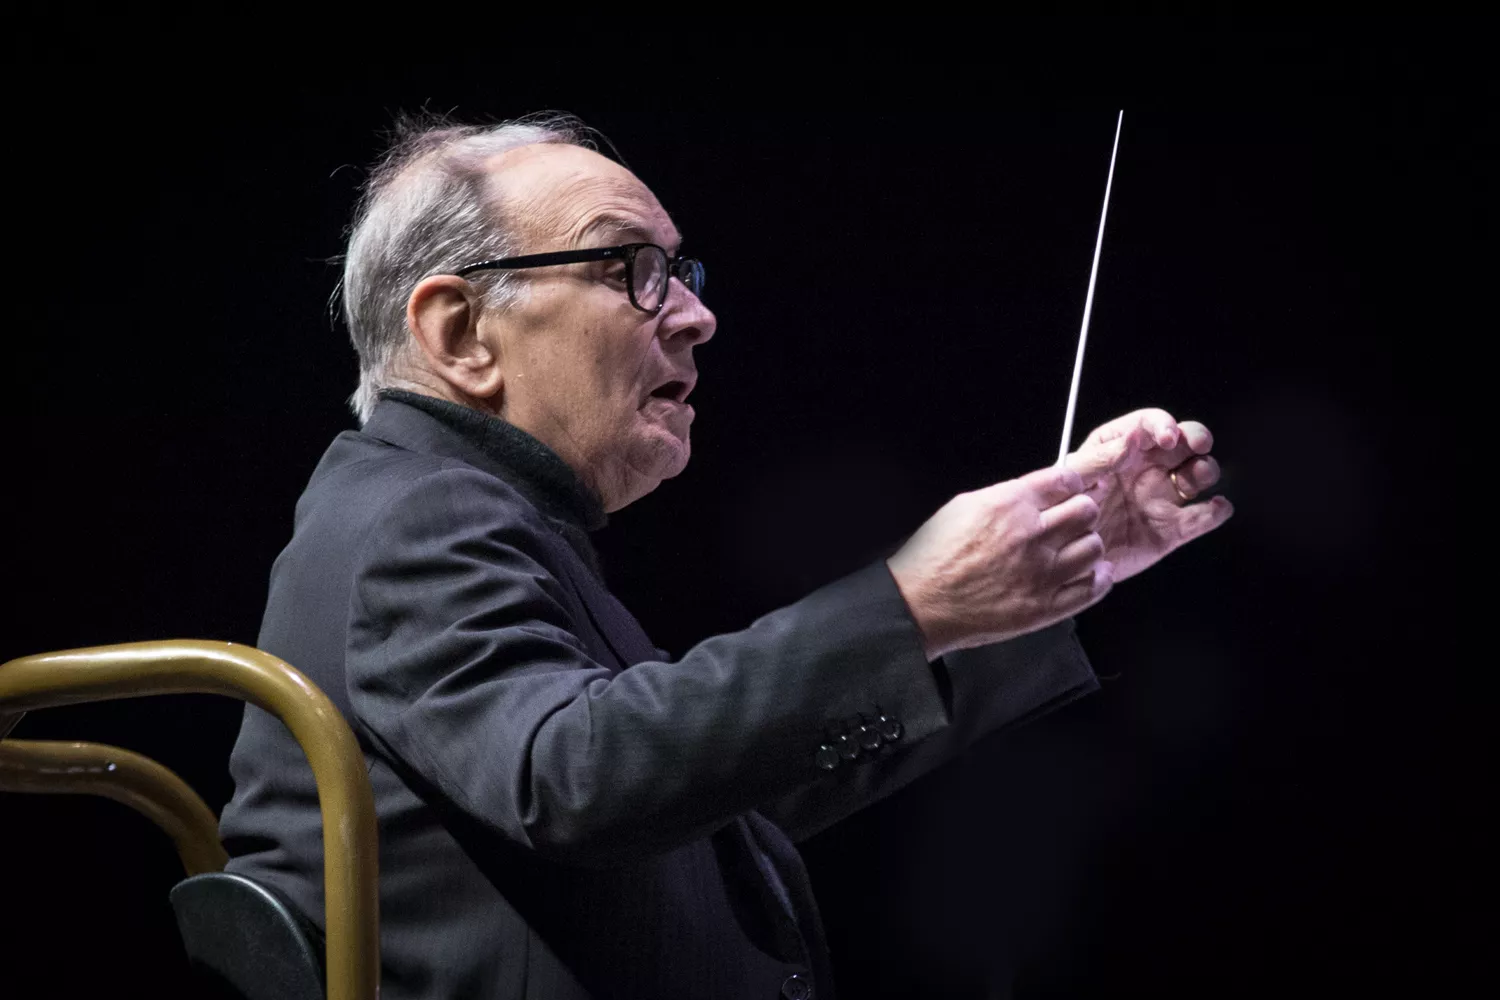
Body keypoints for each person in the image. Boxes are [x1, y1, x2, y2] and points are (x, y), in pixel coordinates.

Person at [218, 113, 1233, 999]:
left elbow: (709, 789)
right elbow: (575, 779)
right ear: (461, 332)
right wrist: (912, 600)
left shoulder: (466, 517)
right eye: (629, 270)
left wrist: (1018, 593)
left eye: (680, 273)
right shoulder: (417, 514)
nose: (698, 316)